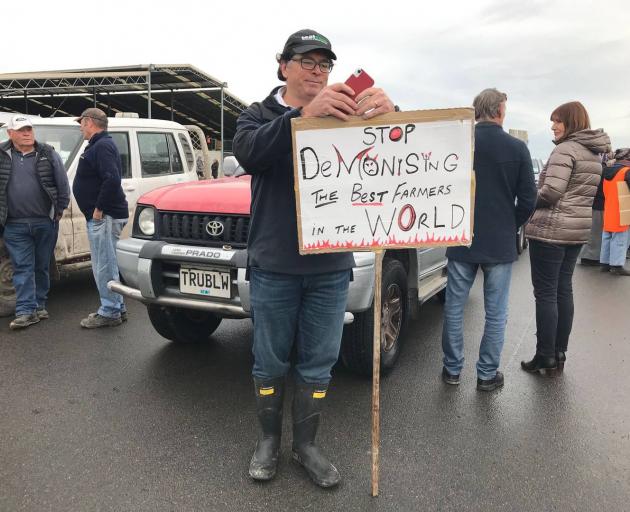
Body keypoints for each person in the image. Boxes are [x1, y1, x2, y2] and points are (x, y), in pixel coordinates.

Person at [233, 29, 394, 488]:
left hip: (329, 266)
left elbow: (393, 152)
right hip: (274, 266)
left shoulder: (346, 116)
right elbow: (249, 153)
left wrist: (390, 112)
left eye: (325, 64)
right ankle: (268, 441)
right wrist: (302, 117)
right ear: (283, 66)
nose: (318, 71)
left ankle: (305, 446)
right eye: (308, 62)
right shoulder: (257, 114)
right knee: (268, 361)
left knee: (319, 363)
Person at [441, 88, 537, 391]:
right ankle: (486, 374)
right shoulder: (517, 148)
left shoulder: (460, 144)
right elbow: (529, 198)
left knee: (454, 307)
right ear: (499, 111)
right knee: (496, 312)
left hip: (462, 235)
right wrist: (512, 224)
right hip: (499, 240)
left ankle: (452, 370)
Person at [522, 102, 611, 373]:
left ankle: (544, 355)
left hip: (550, 231)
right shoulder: (593, 154)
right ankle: (559, 352)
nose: (553, 126)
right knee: (563, 290)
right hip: (576, 232)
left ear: (571, 122)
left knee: (546, 294)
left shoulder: (564, 150)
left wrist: (526, 201)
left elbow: (551, 192)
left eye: (557, 121)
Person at [0, 115, 70, 329]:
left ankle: (39, 305)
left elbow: (62, 184)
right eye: (21, 130)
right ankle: (25, 310)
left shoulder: (47, 153)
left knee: (41, 266)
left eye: (29, 129)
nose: (27, 133)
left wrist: (59, 210)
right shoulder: (1, 155)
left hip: (44, 221)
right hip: (14, 224)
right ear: (10, 133)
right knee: (22, 267)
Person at [72, 108, 129, 328]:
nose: (80, 128)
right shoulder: (99, 145)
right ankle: (117, 306)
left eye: (81, 123)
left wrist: (98, 209)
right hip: (104, 216)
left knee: (103, 264)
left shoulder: (102, 146)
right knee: (108, 262)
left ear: (89, 122)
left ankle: (109, 311)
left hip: (104, 217)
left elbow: (112, 179)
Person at [600, 148, 630, 275]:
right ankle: (617, 266)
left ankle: (605, 263)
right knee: (620, 238)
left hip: (609, 208)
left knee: (607, 237)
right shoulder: (626, 171)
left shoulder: (607, 171)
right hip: (622, 210)